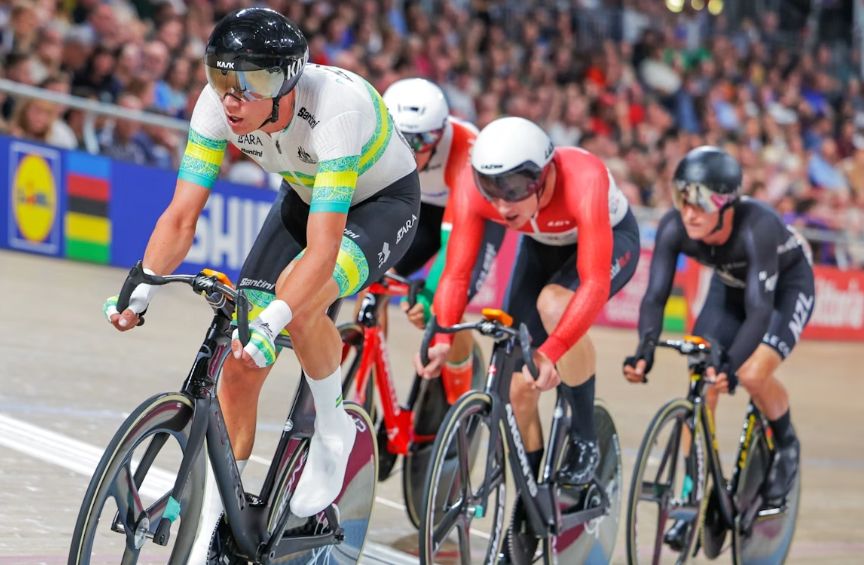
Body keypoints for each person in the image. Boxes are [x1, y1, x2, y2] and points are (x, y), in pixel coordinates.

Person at [102, 7, 420, 561]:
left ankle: (333, 431)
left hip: (381, 204)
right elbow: (182, 215)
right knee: (242, 361)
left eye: (249, 84)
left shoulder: (334, 111)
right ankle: (213, 527)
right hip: (304, 193)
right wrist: (143, 282)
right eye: (221, 79)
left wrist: (275, 316)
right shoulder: (215, 107)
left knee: (302, 304)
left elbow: (323, 251)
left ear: (286, 82)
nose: (232, 99)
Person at [418, 116, 640, 493]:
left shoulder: (584, 177)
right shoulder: (474, 189)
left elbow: (594, 282)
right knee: (517, 388)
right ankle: (532, 498)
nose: (502, 204)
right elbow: (456, 274)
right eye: (491, 188)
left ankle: (585, 437)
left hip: (611, 239)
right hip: (541, 248)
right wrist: (442, 336)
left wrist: (553, 350)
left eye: (514, 188)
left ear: (544, 173)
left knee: (553, 304)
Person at [623, 146, 814, 546]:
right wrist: (645, 350)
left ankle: (786, 444)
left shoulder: (757, 227)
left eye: (700, 203)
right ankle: (690, 496)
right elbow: (655, 297)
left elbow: (760, 311)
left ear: (726, 204)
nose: (689, 213)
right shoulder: (675, 227)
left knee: (752, 373)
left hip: (785, 289)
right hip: (728, 289)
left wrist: (730, 364)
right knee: (701, 381)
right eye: (683, 200)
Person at [377, 77, 504, 404]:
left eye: (420, 141)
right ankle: (371, 384)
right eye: (400, 137)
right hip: (422, 210)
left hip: (472, 218)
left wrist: (430, 294)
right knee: (371, 281)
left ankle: (459, 403)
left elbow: (455, 250)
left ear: (439, 134)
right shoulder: (377, 141)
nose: (410, 150)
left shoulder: (465, 147)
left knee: (445, 308)